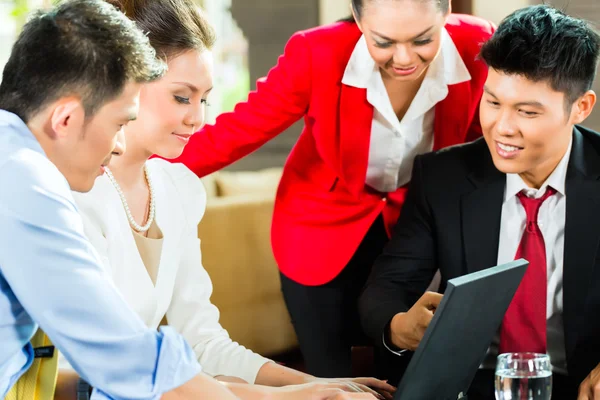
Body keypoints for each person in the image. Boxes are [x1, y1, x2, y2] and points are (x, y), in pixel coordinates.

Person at [54, 1, 394, 400]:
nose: (197, 118)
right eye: (182, 97)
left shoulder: (176, 188)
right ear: (122, 81)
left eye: (205, 100)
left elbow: (203, 344)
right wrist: (281, 397)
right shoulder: (71, 194)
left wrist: (312, 383)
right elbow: (94, 374)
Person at [163, 0, 495, 377]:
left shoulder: (479, 45)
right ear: (358, 19)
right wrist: (136, 164)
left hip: (410, 229)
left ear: (446, 13)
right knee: (329, 377)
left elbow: (482, 144)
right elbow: (237, 132)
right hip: (318, 226)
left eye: (423, 39)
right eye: (383, 41)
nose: (404, 58)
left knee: (406, 370)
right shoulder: (316, 53)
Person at [0, 0, 240, 399]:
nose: (119, 144)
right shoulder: (24, 178)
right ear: (65, 118)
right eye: (119, 124)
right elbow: (118, 353)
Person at [359, 4, 600, 399]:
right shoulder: (443, 177)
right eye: (493, 102)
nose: (502, 128)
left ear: (581, 107)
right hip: (472, 388)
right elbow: (387, 285)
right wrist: (400, 324)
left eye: (526, 111)